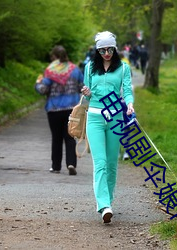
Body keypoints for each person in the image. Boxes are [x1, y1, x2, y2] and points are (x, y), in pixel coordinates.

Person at [81, 31, 134, 223]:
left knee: (112, 164)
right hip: (94, 118)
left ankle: (108, 201)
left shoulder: (123, 68)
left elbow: (127, 90)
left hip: (115, 118)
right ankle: (103, 205)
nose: (106, 53)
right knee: (100, 162)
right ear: (97, 50)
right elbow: (87, 96)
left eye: (110, 49)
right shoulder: (89, 68)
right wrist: (86, 92)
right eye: (102, 50)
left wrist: (129, 104)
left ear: (115, 48)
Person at [35, 45, 84, 175]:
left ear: (54, 57)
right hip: (71, 109)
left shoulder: (50, 71)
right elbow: (82, 87)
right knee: (70, 137)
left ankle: (56, 166)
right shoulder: (75, 70)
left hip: (54, 109)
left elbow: (43, 90)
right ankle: (71, 163)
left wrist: (38, 83)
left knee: (56, 138)